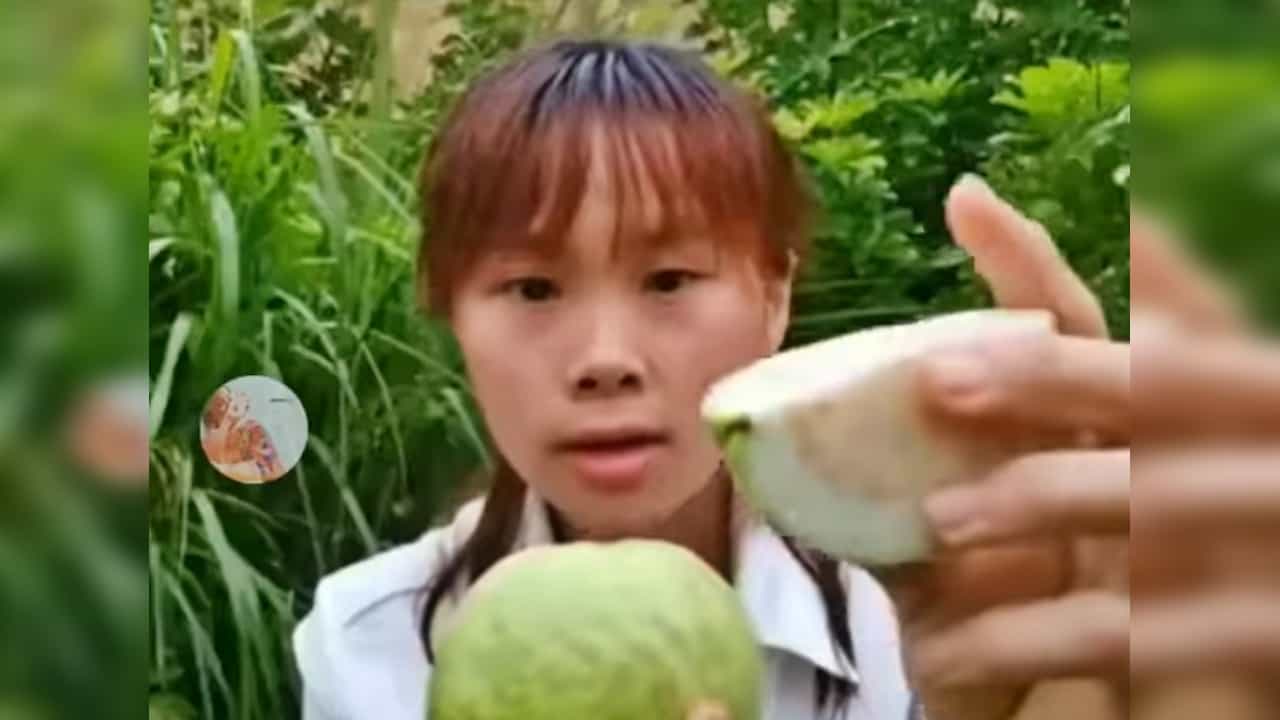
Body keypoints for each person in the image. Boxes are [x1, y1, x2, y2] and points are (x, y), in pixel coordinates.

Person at [291, 38, 1277, 720]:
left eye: (670, 279)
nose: (605, 360)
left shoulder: (952, 623)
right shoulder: (369, 646)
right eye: (533, 288)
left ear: (775, 297)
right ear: (450, 311)